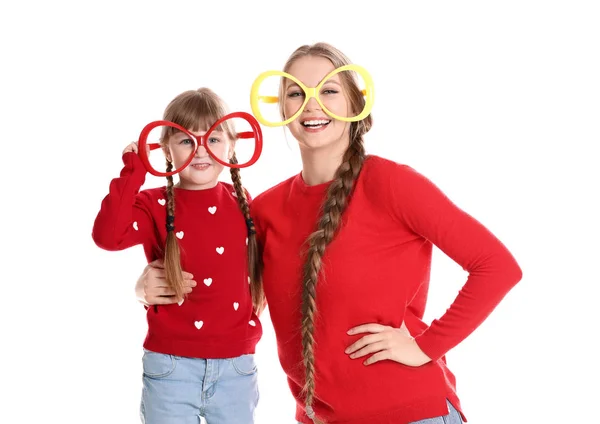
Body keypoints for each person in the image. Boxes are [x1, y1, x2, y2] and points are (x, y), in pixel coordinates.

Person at [136, 43, 523, 424]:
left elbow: (497, 266)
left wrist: (426, 347)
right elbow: (218, 280)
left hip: (412, 414)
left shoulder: (392, 184)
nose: (311, 103)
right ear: (282, 110)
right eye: (295, 93)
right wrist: (146, 287)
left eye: (329, 90)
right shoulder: (264, 210)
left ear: (355, 104)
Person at [92, 87, 265, 424]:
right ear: (167, 149)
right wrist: (134, 171)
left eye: (213, 139)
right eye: (187, 140)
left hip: (237, 368)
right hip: (170, 367)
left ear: (232, 146)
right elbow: (108, 237)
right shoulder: (153, 204)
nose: (200, 149)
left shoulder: (244, 203)